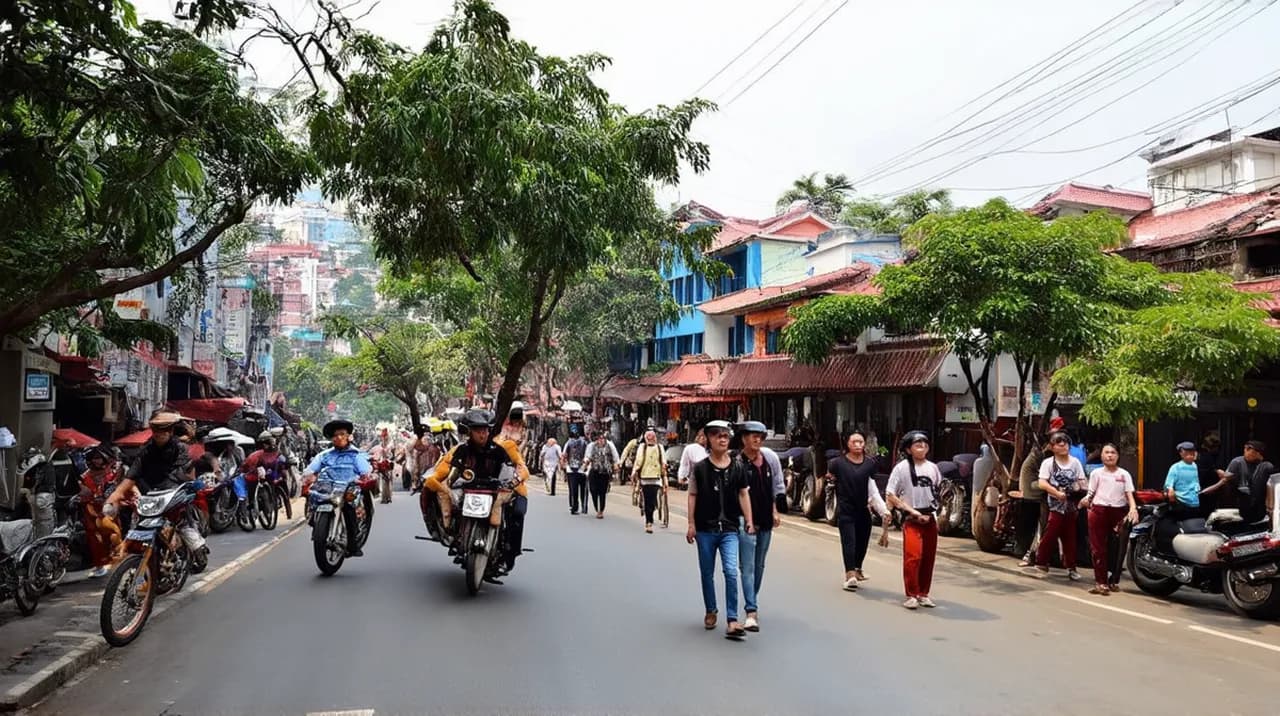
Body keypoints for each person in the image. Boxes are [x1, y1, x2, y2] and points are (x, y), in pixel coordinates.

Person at [426, 409, 530, 575]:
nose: (482, 434)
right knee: (452, 504)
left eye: (485, 430)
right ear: (470, 432)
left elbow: (515, 469)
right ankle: (456, 537)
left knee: (515, 514)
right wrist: (447, 487)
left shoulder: (502, 449)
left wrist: (513, 482)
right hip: (469, 489)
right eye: (477, 430)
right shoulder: (461, 450)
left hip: (499, 490)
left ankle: (508, 553)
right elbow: (453, 473)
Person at [686, 420, 754, 639]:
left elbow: (744, 493)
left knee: (731, 571)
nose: (722, 439)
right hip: (705, 529)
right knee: (707, 573)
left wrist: (749, 520)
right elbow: (692, 495)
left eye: (725, 435)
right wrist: (691, 524)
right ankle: (711, 609)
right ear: (708, 439)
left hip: (730, 528)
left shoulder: (737, 467)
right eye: (717, 435)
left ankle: (733, 620)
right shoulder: (700, 468)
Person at [105, 411, 206, 555]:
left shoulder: (181, 448)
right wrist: (116, 495)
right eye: (156, 430)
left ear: (170, 431)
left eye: (163, 429)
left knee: (182, 524)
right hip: (150, 494)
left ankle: (196, 548)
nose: (159, 433)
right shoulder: (147, 449)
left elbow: (177, 474)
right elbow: (133, 474)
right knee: (139, 523)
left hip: (173, 492)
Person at [735, 421, 786, 632]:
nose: (757, 440)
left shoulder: (769, 459)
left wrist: (775, 511)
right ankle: (751, 611)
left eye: (760, 436)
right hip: (744, 520)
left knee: (759, 565)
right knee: (747, 567)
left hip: (765, 519)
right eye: (752, 435)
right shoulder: (736, 463)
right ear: (744, 438)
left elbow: (776, 486)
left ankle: (751, 598)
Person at [827, 431, 892, 590]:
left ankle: (857, 569)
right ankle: (849, 574)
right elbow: (829, 481)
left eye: (861, 442)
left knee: (862, 542)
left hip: (863, 510)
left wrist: (884, 511)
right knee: (849, 541)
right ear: (847, 444)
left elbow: (873, 490)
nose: (858, 445)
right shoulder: (837, 463)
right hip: (846, 510)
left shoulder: (870, 464)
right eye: (854, 442)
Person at [885, 431, 943, 610]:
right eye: (918, 445)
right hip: (911, 518)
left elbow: (937, 491)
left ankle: (923, 593)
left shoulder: (933, 467)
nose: (922, 447)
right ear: (909, 449)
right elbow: (890, 493)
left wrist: (936, 514)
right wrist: (910, 511)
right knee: (913, 556)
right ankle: (911, 593)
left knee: (928, 558)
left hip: (930, 517)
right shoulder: (901, 468)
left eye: (925, 444)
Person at [303, 419, 374, 556]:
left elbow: (365, 472)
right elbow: (310, 471)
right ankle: (317, 528)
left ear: (348, 436)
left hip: (348, 489)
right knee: (313, 496)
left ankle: (353, 543)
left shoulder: (356, 455)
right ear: (331, 438)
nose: (339, 437)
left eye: (342, 434)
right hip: (328, 490)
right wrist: (307, 477)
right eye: (335, 435)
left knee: (349, 506)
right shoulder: (324, 455)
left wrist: (365, 477)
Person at [1028, 431, 1087, 581]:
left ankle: (1071, 567)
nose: (1063, 445)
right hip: (1055, 504)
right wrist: (1055, 492)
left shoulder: (1075, 462)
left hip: (1071, 504)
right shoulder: (1048, 463)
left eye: (1065, 443)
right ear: (1052, 447)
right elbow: (1042, 482)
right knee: (1051, 532)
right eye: (1058, 443)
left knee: (1070, 535)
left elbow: (1082, 480)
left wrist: (1081, 490)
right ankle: (1041, 562)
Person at [1080, 444, 1138, 595]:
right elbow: (1091, 492)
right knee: (1098, 548)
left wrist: (1133, 509)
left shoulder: (1124, 474)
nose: (1110, 455)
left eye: (1113, 453)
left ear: (1118, 456)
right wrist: (1085, 501)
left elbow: (1129, 494)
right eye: (1107, 452)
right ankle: (1101, 582)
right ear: (1102, 456)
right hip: (1098, 510)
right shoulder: (1096, 473)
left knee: (1120, 547)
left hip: (1118, 511)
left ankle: (1115, 579)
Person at [79, 446, 122, 577]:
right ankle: (99, 564)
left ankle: (116, 559)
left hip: (108, 509)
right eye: (94, 458)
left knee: (112, 534)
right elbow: (82, 491)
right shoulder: (85, 476)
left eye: (98, 458)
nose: (97, 461)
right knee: (94, 538)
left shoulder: (112, 473)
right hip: (91, 510)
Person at [1209, 440, 1275, 524]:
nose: (1246, 452)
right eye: (1245, 449)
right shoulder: (1237, 462)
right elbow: (1226, 481)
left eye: (1249, 450)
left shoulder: (1264, 465)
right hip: (1242, 499)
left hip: (1260, 500)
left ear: (1258, 454)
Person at [241, 431, 292, 519]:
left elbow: (284, 461)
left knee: (284, 484)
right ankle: (254, 505)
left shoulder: (278, 451)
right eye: (267, 442)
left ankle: (288, 511)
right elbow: (249, 466)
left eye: (271, 441)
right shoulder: (257, 455)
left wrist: (285, 466)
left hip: (276, 475)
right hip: (264, 476)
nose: (270, 444)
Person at [631, 429, 669, 533]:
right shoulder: (642, 447)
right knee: (648, 501)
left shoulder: (660, 448)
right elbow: (638, 461)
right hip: (645, 479)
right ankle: (649, 522)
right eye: (649, 437)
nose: (651, 439)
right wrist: (634, 473)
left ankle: (650, 515)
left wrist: (665, 475)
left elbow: (663, 461)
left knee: (652, 500)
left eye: (652, 437)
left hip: (656, 479)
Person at [17, 448, 56, 539]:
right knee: (43, 520)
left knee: (38, 518)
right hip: (43, 494)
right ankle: (43, 540)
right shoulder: (44, 462)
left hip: (37, 494)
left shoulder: (29, 464)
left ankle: (40, 539)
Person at [582, 432, 619, 519]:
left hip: (605, 472)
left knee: (602, 492)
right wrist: (585, 464)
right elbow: (587, 456)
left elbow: (615, 456)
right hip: (594, 470)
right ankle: (596, 507)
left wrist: (616, 465)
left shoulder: (610, 445)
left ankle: (601, 511)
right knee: (593, 491)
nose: (601, 440)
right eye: (599, 439)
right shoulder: (592, 446)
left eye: (603, 439)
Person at [1165, 441, 1203, 517]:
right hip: (1182, 502)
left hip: (1195, 502)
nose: (1190, 455)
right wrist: (1170, 491)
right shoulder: (1176, 467)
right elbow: (1168, 485)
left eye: (1191, 452)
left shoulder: (1196, 466)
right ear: (1181, 453)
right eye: (1187, 453)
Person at [563, 427, 589, 515]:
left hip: (573, 469)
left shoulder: (569, 443)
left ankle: (574, 507)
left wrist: (565, 466)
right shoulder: (584, 443)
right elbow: (587, 456)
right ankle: (583, 507)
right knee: (583, 490)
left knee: (573, 490)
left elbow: (564, 456)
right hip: (580, 469)